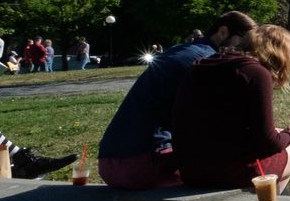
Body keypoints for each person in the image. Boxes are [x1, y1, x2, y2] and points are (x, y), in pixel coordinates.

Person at [96, 11, 257, 189]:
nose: (247, 49)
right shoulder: (207, 62)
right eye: (244, 41)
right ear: (223, 32)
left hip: (109, 163)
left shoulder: (181, 51)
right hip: (146, 163)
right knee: (251, 168)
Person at [171, 23, 290, 197]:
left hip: (191, 172)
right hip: (230, 173)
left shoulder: (199, 67)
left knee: (283, 155)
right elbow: (269, 144)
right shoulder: (256, 73)